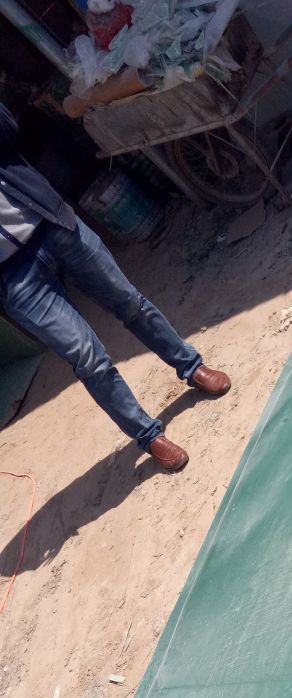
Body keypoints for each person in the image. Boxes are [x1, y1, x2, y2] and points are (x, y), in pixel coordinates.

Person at [0, 102, 230, 472]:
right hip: (14, 276)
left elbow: (8, 128)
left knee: (129, 301)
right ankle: (149, 436)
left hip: (50, 222)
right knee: (86, 356)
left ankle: (190, 366)